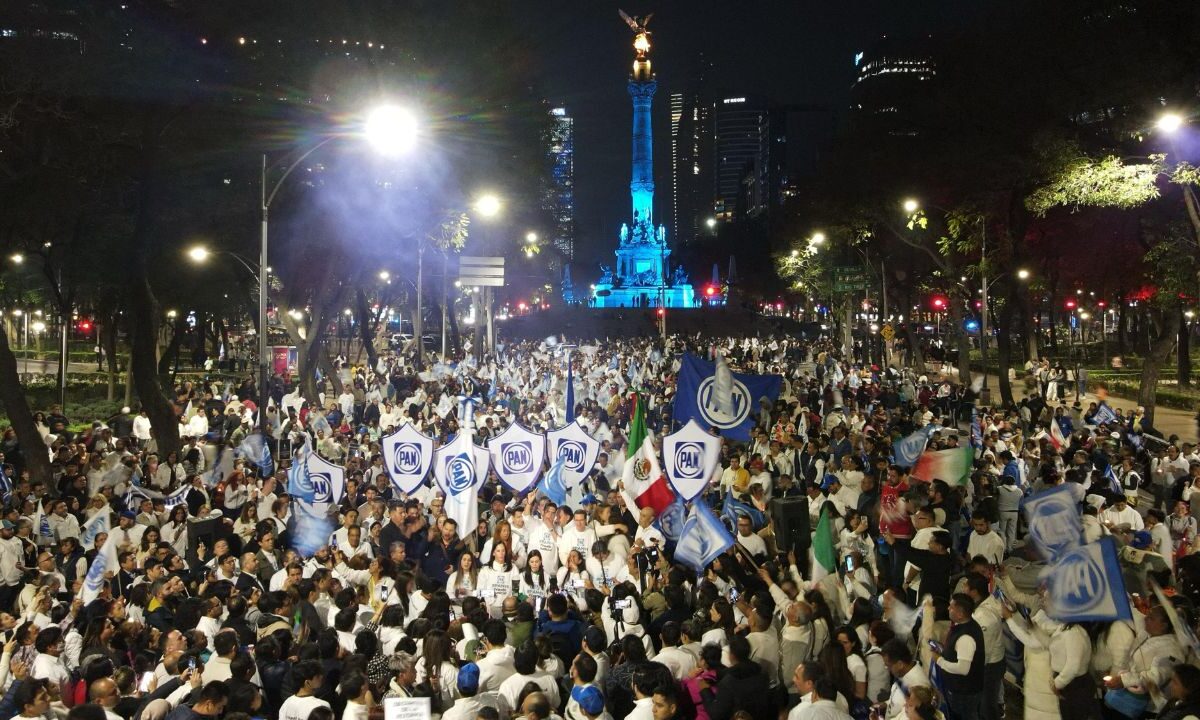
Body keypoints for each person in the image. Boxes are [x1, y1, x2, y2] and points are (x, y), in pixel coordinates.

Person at [930, 594, 984, 720]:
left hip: (964, 692)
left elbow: (963, 669)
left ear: (960, 614)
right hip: (960, 689)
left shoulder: (966, 637)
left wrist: (939, 659)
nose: (948, 609)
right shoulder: (965, 625)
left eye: (951, 607)